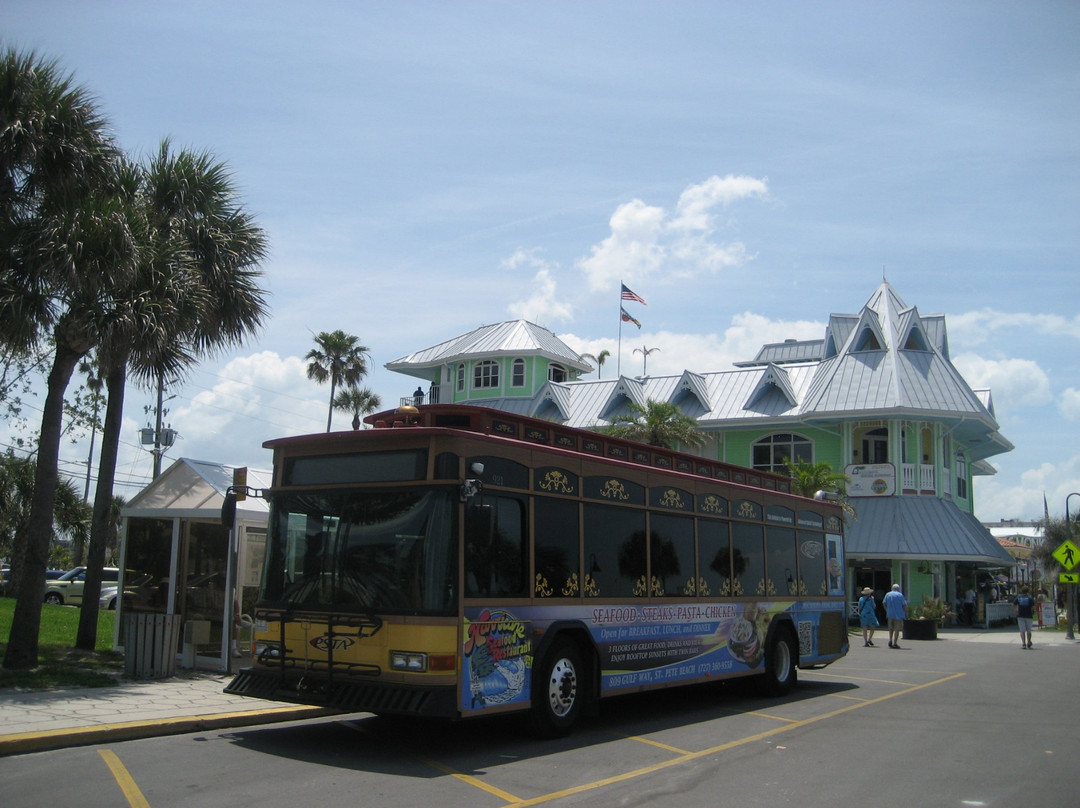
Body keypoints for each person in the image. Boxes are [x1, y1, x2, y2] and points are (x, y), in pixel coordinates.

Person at [882, 583, 908, 648]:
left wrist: (887, 610)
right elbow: (904, 605)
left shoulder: (888, 594)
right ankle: (895, 643)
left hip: (890, 614)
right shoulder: (900, 595)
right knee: (897, 629)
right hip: (898, 615)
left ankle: (890, 640)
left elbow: (884, 603)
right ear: (898, 589)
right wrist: (906, 613)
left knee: (890, 628)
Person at [1014, 585, 1036, 649]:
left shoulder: (1018, 597)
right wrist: (1033, 612)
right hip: (1029, 615)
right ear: (1028, 591)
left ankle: (1023, 644)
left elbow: (1014, 604)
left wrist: (1016, 611)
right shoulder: (1030, 598)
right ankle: (1028, 642)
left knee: (1022, 630)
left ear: (1022, 591)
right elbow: (1033, 607)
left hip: (1020, 615)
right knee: (1029, 630)